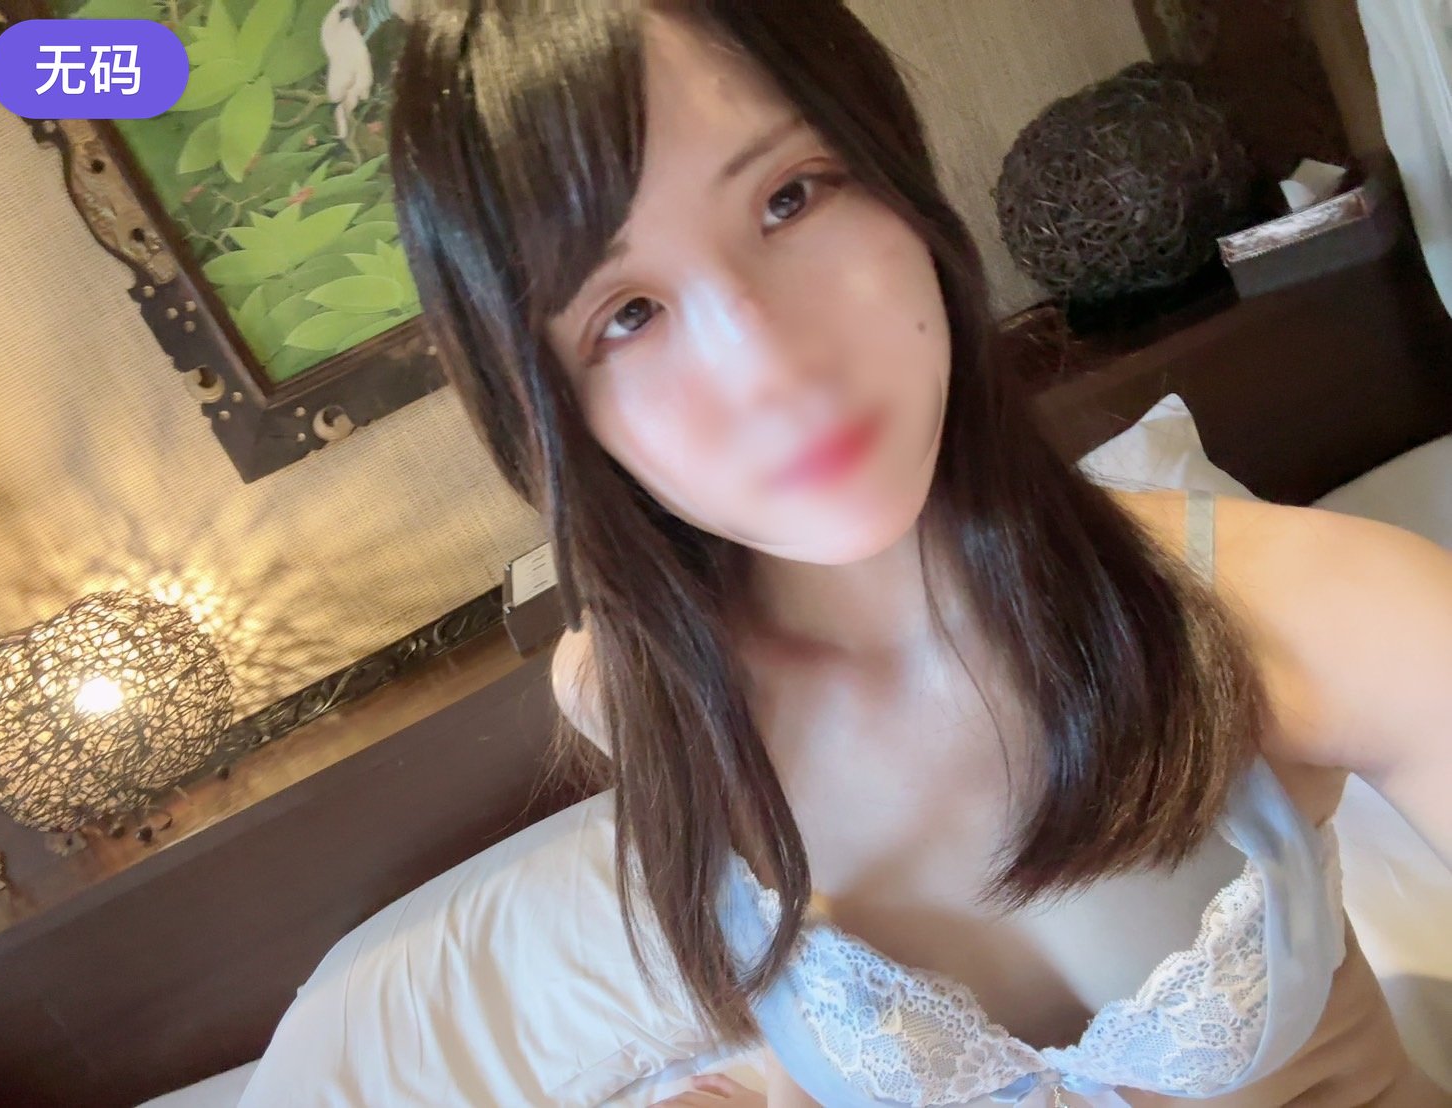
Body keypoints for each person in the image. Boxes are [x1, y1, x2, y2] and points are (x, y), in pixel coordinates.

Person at [387, 3, 1452, 1104]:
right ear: (550, 413)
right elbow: (830, 1032)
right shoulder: (637, 691)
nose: (771, 367)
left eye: (788, 198)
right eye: (629, 313)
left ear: (893, 171)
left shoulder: (1327, 613)